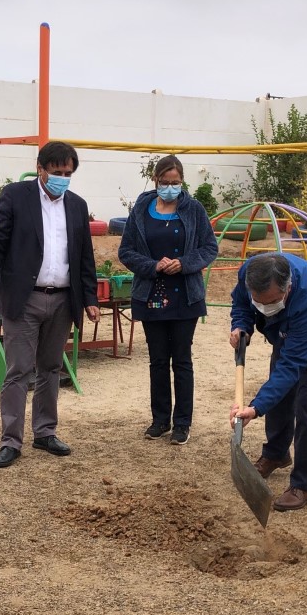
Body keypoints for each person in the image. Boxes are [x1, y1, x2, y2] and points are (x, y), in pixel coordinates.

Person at [0, 141, 99, 468]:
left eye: (68, 173)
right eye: (57, 172)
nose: (62, 178)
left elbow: (85, 257)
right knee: (18, 370)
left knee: (51, 367)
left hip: (63, 299)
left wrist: (90, 299)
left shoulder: (77, 206)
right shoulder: (15, 197)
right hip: (24, 298)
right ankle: (10, 440)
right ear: (40, 168)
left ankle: (45, 431)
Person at [228, 253, 307, 512]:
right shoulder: (250, 272)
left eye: (272, 302)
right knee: (279, 399)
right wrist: (242, 326)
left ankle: (303, 485)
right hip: (286, 333)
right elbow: (241, 303)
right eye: (259, 301)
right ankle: (276, 454)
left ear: (287, 288)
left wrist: (255, 408)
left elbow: (291, 365)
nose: (265, 307)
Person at [119, 154, 219, 445]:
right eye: (165, 182)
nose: (170, 187)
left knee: (182, 360)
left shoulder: (194, 210)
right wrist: (153, 266)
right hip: (151, 294)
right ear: (155, 180)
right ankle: (160, 420)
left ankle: (182, 423)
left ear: (182, 181)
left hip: (185, 296)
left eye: (176, 183)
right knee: (158, 360)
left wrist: (184, 263)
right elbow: (126, 251)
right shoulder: (141, 209)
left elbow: (209, 247)